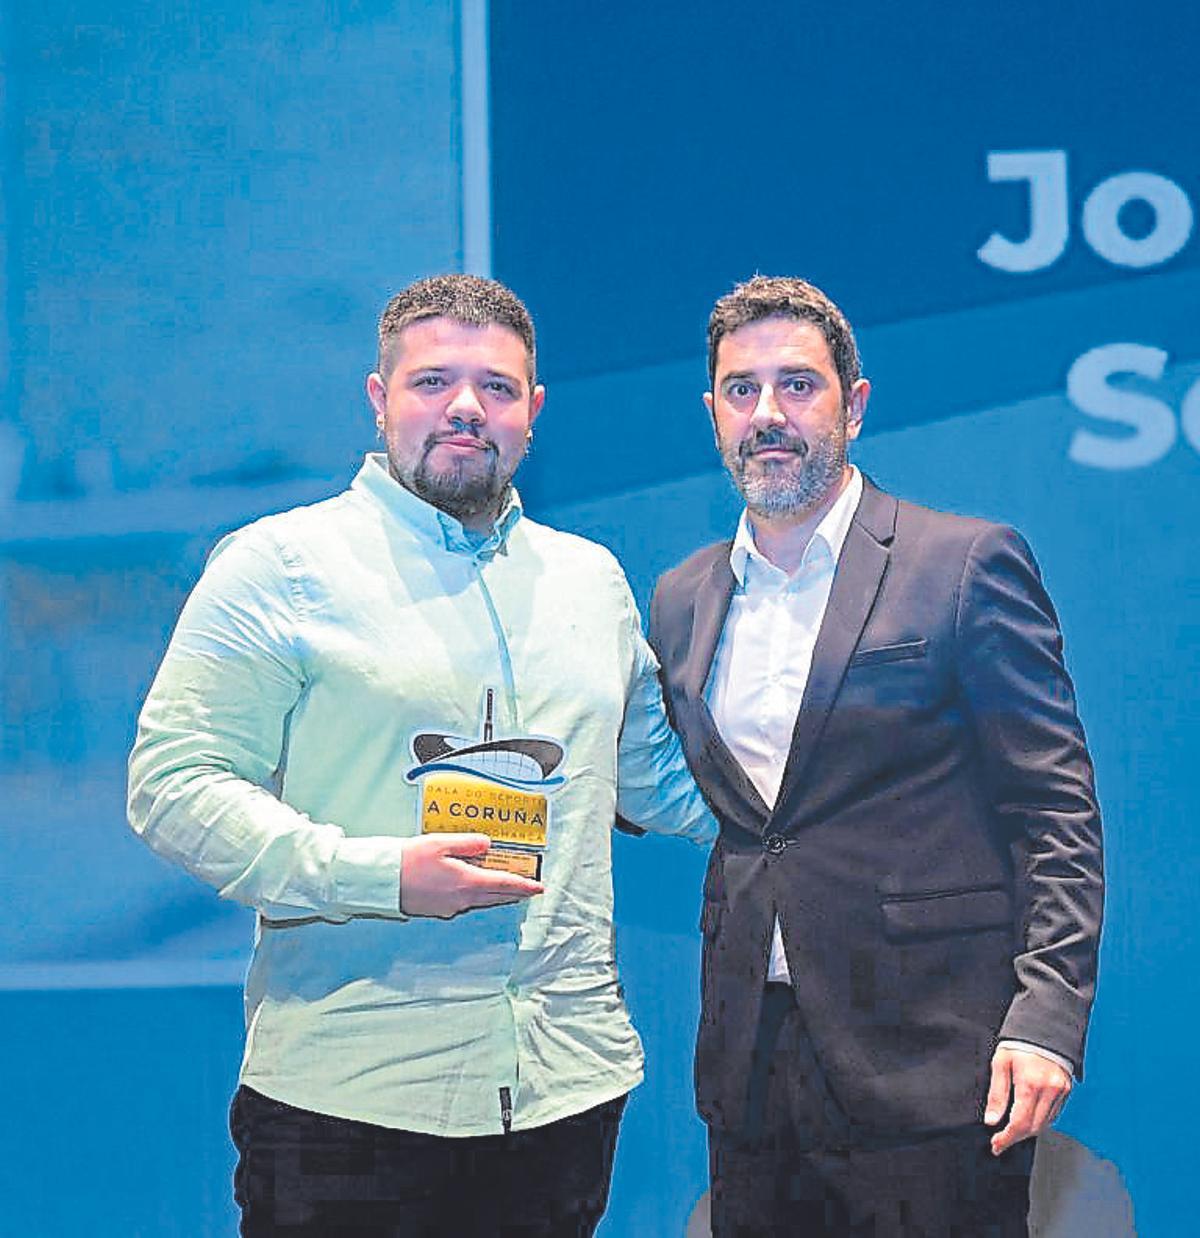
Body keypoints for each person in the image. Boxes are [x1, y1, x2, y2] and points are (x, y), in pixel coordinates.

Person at [127, 274, 716, 1237]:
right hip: (349, 1100)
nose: (465, 408)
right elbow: (172, 785)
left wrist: (862, 791)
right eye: (433, 381)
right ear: (379, 398)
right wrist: (381, 876)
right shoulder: (278, 566)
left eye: (495, 386)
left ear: (533, 409)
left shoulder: (589, 580)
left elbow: (662, 783)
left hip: (563, 1092)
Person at [649, 276, 1103, 1236]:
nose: (767, 414)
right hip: (752, 1069)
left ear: (854, 404)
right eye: (741, 390)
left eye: (797, 385)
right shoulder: (683, 596)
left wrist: (1046, 1018)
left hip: (936, 1063)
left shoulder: (965, 562)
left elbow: (1055, 816)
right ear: (710, 413)